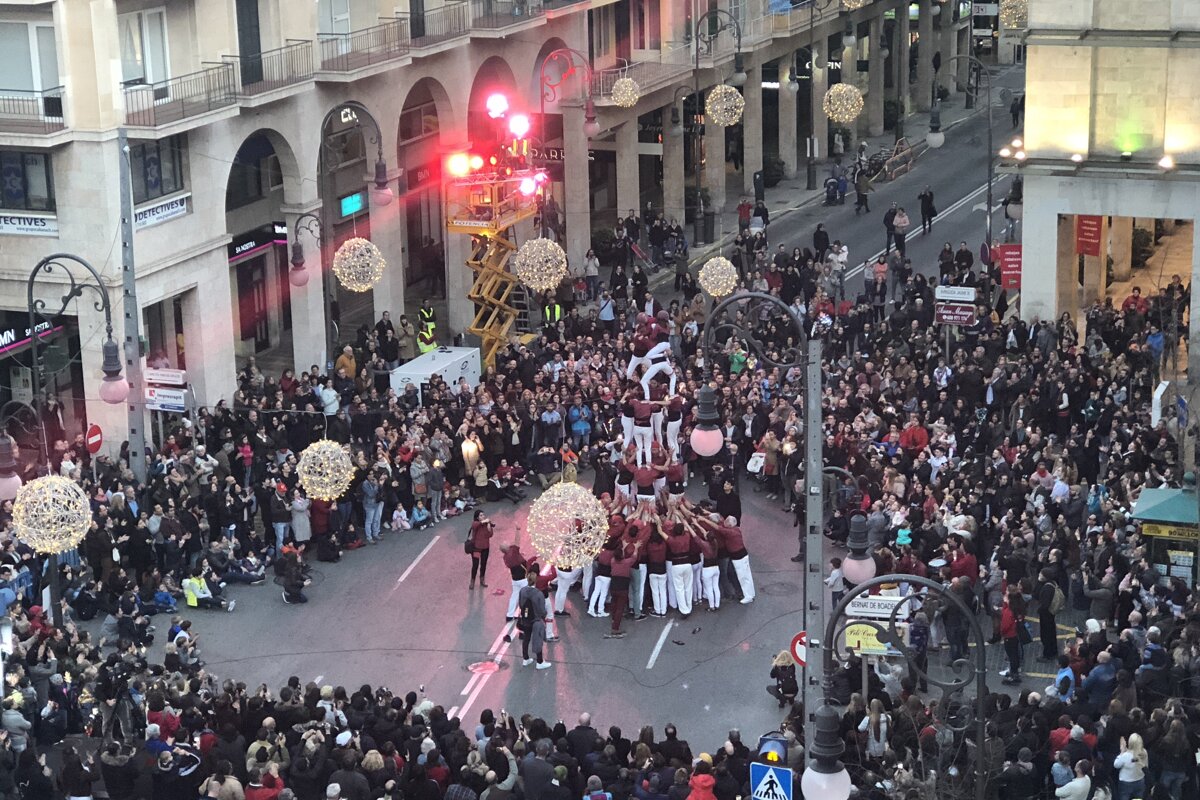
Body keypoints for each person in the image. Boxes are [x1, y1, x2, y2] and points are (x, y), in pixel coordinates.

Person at [517, 569, 552, 669]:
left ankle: (526, 659)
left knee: (526, 638)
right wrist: (543, 616)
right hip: (536, 620)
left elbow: (520, 604)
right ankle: (540, 662)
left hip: (525, 619)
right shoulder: (538, 594)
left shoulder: (522, 591)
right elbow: (542, 610)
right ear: (535, 581)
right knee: (538, 640)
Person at [469, 510, 494, 589]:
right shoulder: (475, 523)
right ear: (477, 517)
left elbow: (490, 534)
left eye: (483, 515)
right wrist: (484, 522)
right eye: (481, 515)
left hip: (485, 548)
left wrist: (489, 525)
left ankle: (482, 579)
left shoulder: (486, 524)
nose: (483, 516)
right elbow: (475, 525)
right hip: (477, 548)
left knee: (483, 564)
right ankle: (472, 581)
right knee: (475, 565)